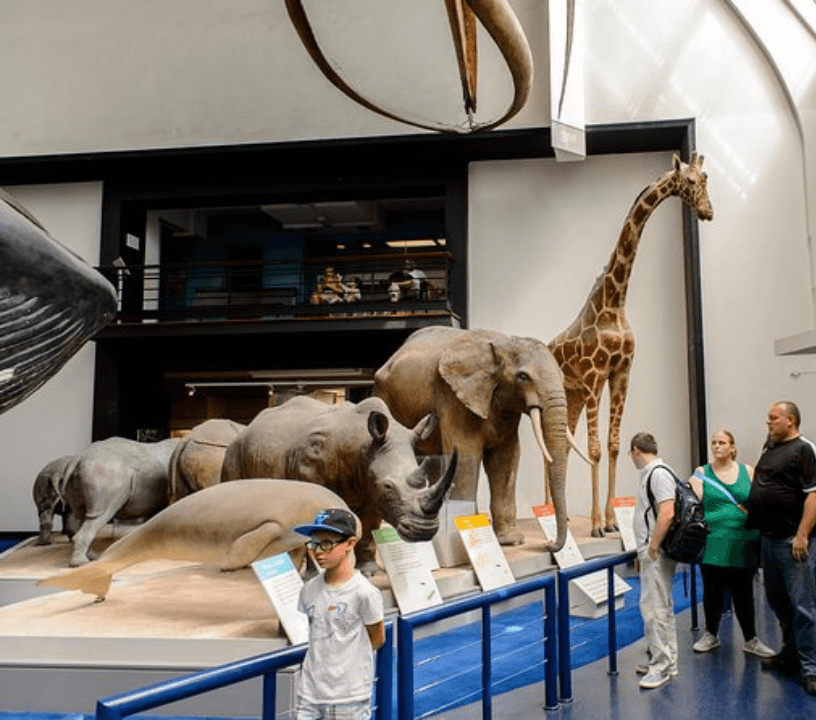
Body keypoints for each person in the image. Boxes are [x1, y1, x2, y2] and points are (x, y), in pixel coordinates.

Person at [745, 401, 816, 696]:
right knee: (777, 601)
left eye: (774, 418)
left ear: (792, 420)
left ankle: (811, 668)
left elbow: (813, 496)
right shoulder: (769, 448)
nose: (769, 423)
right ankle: (790, 655)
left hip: (792, 541)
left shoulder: (804, 449)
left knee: (803, 606)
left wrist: (802, 534)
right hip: (769, 540)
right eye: (768, 418)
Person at [293, 508, 386, 719]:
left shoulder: (364, 592)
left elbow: (377, 637)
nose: (318, 551)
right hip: (310, 694)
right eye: (314, 544)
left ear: (350, 544)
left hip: (349, 697)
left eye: (327, 543)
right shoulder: (308, 590)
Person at [688, 430, 774, 657]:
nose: (717, 446)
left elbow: (761, 502)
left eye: (722, 442)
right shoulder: (701, 473)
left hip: (744, 541)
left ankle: (750, 639)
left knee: (744, 592)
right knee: (712, 591)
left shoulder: (747, 471)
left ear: (732, 447)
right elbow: (689, 504)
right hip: (714, 541)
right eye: (714, 443)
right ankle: (711, 635)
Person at [630, 432, 679, 689]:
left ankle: (661, 666)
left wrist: (652, 547)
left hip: (656, 555)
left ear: (636, 450)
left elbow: (667, 512)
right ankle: (667, 661)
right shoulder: (653, 473)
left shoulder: (658, 473)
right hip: (653, 553)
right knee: (661, 608)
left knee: (654, 610)